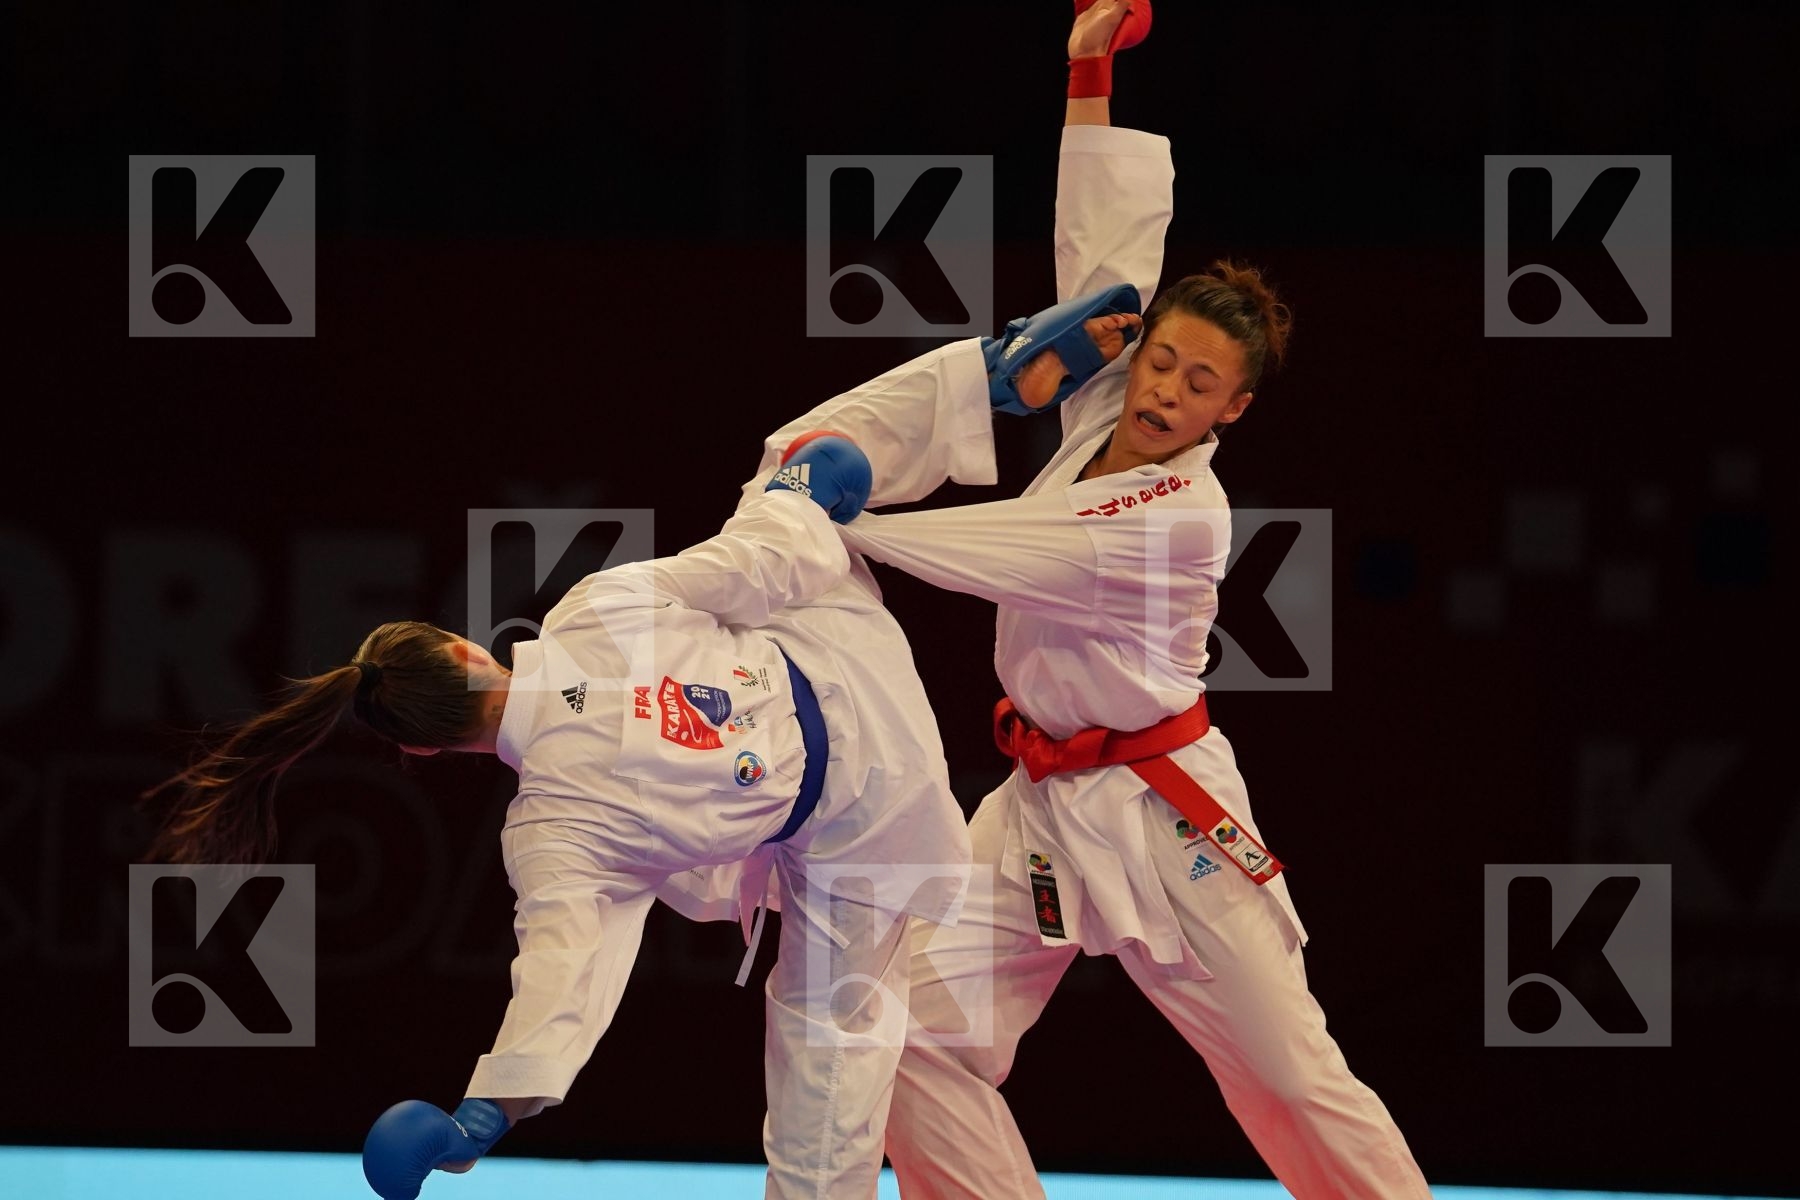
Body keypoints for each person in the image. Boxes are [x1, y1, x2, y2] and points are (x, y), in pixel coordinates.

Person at [824, 2, 1435, 1195]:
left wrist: (846, 522)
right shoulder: (1106, 401)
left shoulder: (1182, 515)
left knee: (1289, 1082)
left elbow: (1018, 548)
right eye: (1160, 359)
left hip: (1168, 818)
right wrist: (1089, 74)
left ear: (1232, 411)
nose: (1163, 391)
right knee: (902, 1031)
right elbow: (1101, 268)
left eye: (1199, 384)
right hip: (1040, 806)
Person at [139, 432, 974, 1200]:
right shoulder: (591, 608)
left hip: (874, 822)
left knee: (819, 1115)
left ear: (424, 749)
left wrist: (482, 1117)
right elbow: (745, 566)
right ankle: (991, 376)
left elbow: (563, 975)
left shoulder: (552, 833)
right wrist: (796, 496)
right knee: (789, 463)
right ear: (465, 649)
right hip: (850, 653)